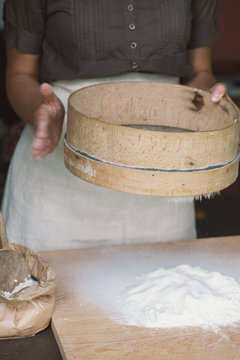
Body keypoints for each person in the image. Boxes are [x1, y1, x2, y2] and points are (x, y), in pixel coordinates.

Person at [1, 0, 226, 251]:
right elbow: (19, 75)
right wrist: (39, 110)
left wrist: (208, 102)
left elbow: (201, 72)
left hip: (160, 181)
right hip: (58, 183)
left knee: (162, 285)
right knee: (50, 288)